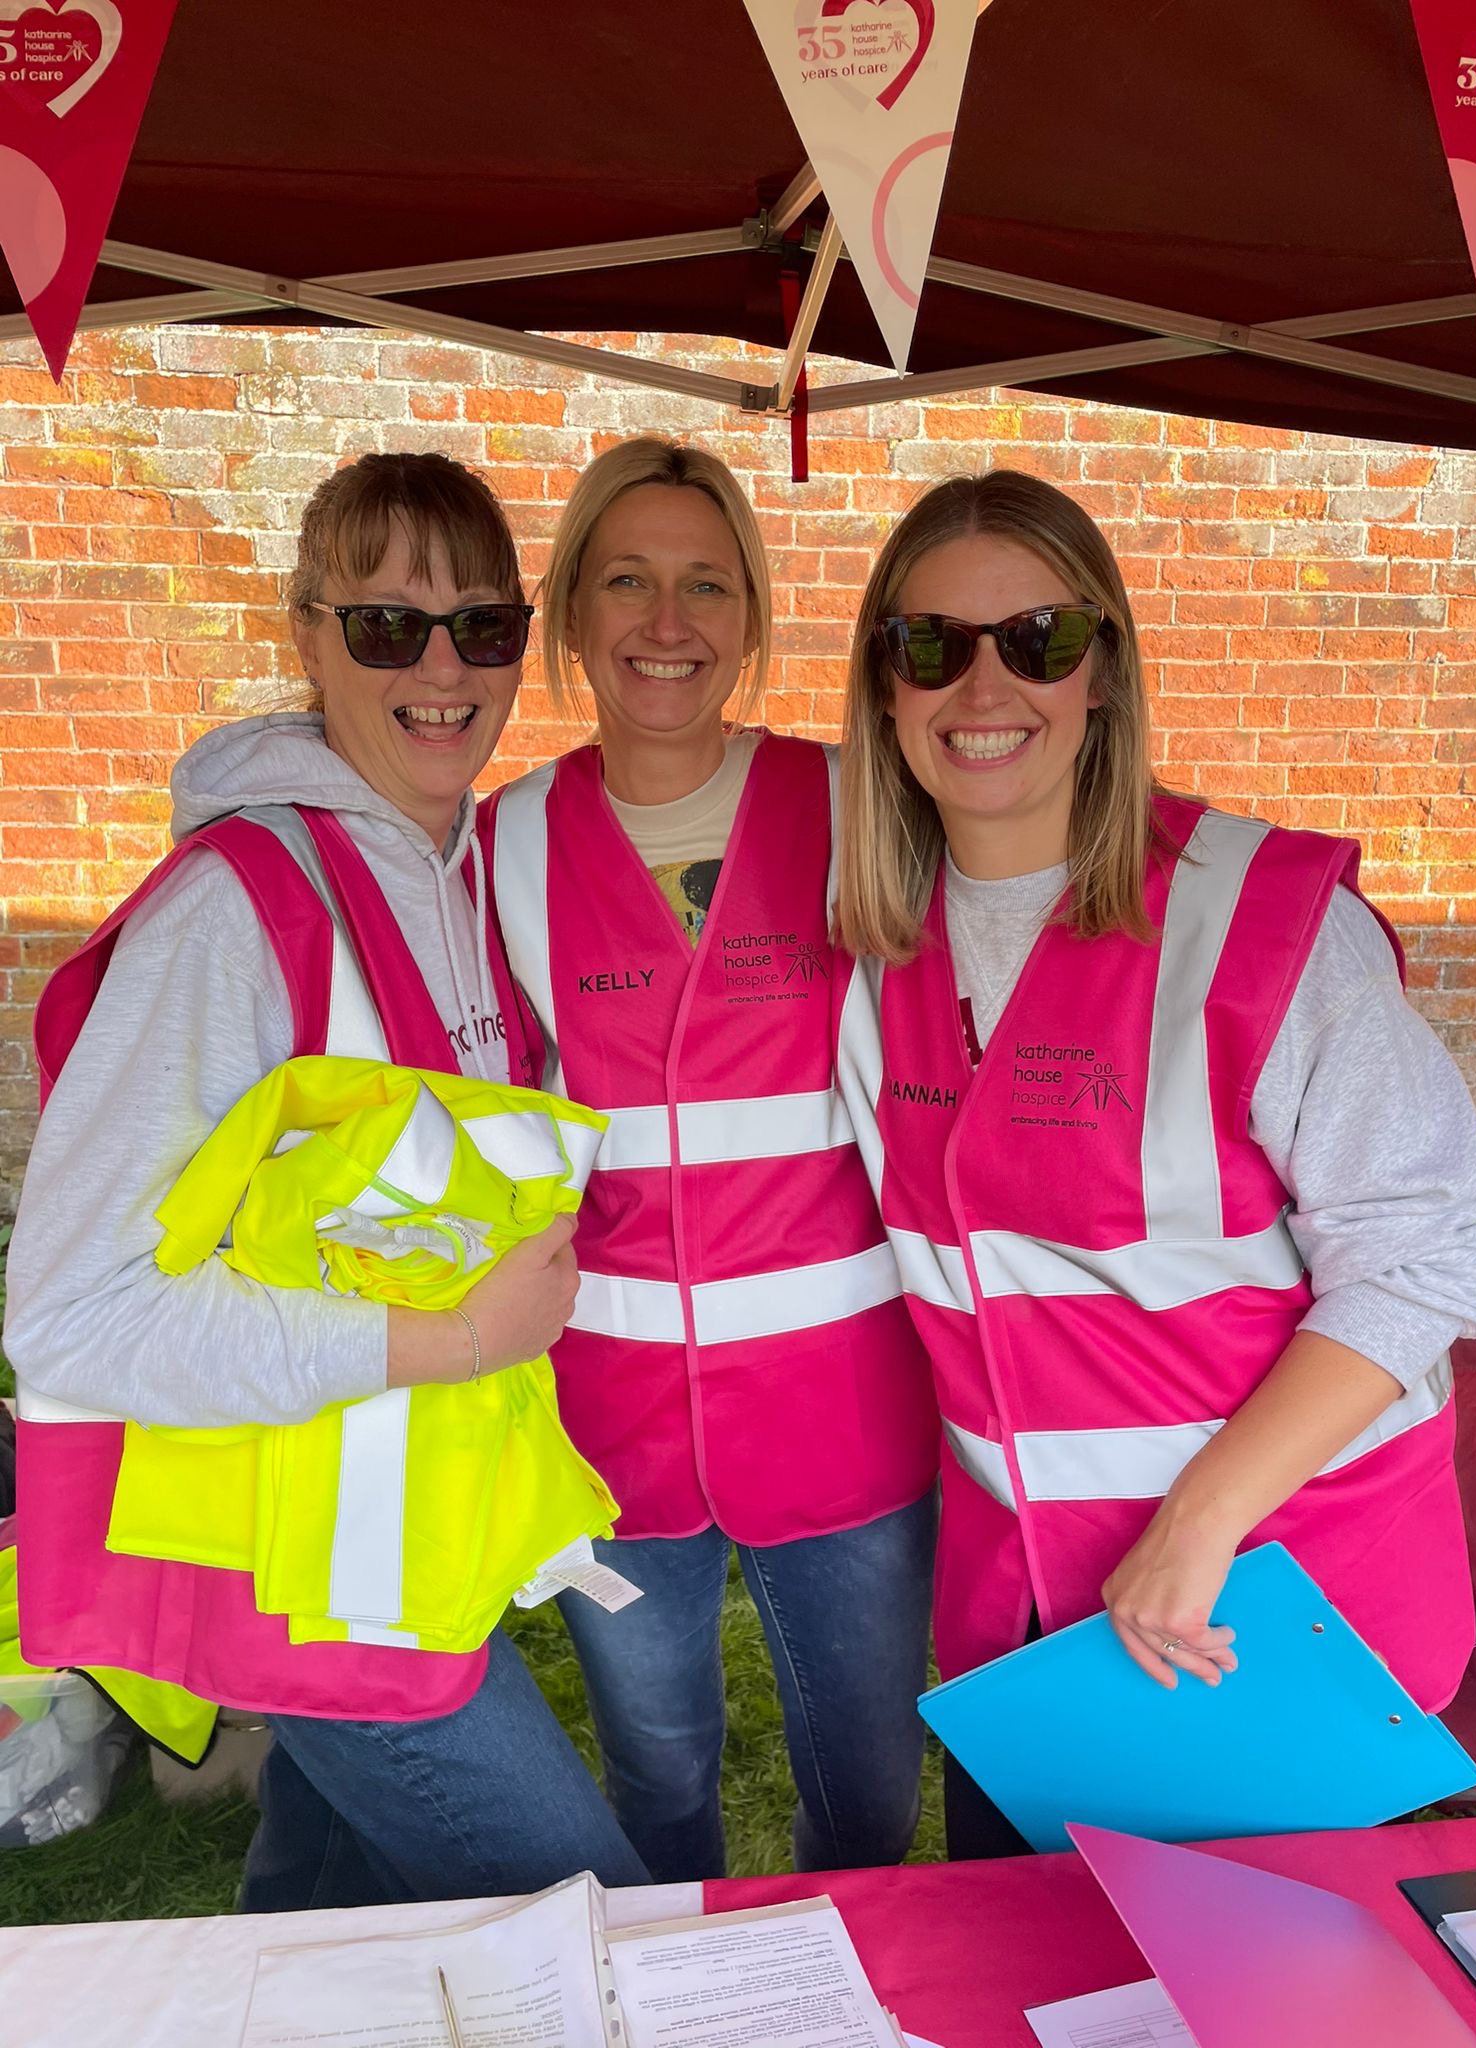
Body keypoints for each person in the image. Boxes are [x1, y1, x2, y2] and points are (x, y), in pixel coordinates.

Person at [3, 451, 649, 1908]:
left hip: (403, 1555)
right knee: (593, 1920)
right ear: (306, 633)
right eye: (386, 626)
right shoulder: (232, 913)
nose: (442, 669)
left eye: (482, 628)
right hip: (315, 1602)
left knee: (317, 1939)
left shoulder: (474, 869)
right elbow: (71, 1316)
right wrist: (454, 1339)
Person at [832, 469, 1476, 1858]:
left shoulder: (1259, 926)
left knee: (1288, 2000)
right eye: (931, 646)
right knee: (1038, 1997)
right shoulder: (873, 946)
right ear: (884, 687)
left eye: (1041, 641)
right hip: (1035, 1640)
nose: (985, 686)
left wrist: (1202, 1521)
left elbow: (1428, 1249)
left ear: (1104, 672)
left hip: (1279, 1615)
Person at [485, 436, 939, 1881]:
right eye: (625, 581)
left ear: (750, 613)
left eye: (703, 584)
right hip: (610, 1428)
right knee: (660, 1780)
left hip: (845, 1412)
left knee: (866, 1789)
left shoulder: (864, 807)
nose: (665, 624)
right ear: (570, 612)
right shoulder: (501, 845)